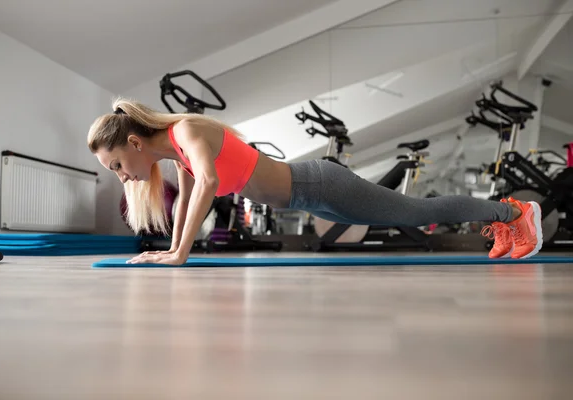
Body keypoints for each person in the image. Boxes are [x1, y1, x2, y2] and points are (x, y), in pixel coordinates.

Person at [87, 98, 543, 265]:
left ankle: (515, 213)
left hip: (320, 184)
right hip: (312, 200)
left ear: (133, 142)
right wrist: (170, 249)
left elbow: (207, 182)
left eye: (116, 166)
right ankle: (504, 220)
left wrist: (182, 254)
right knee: (411, 214)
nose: (121, 176)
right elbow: (187, 198)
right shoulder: (175, 155)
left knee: (417, 213)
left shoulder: (185, 131)